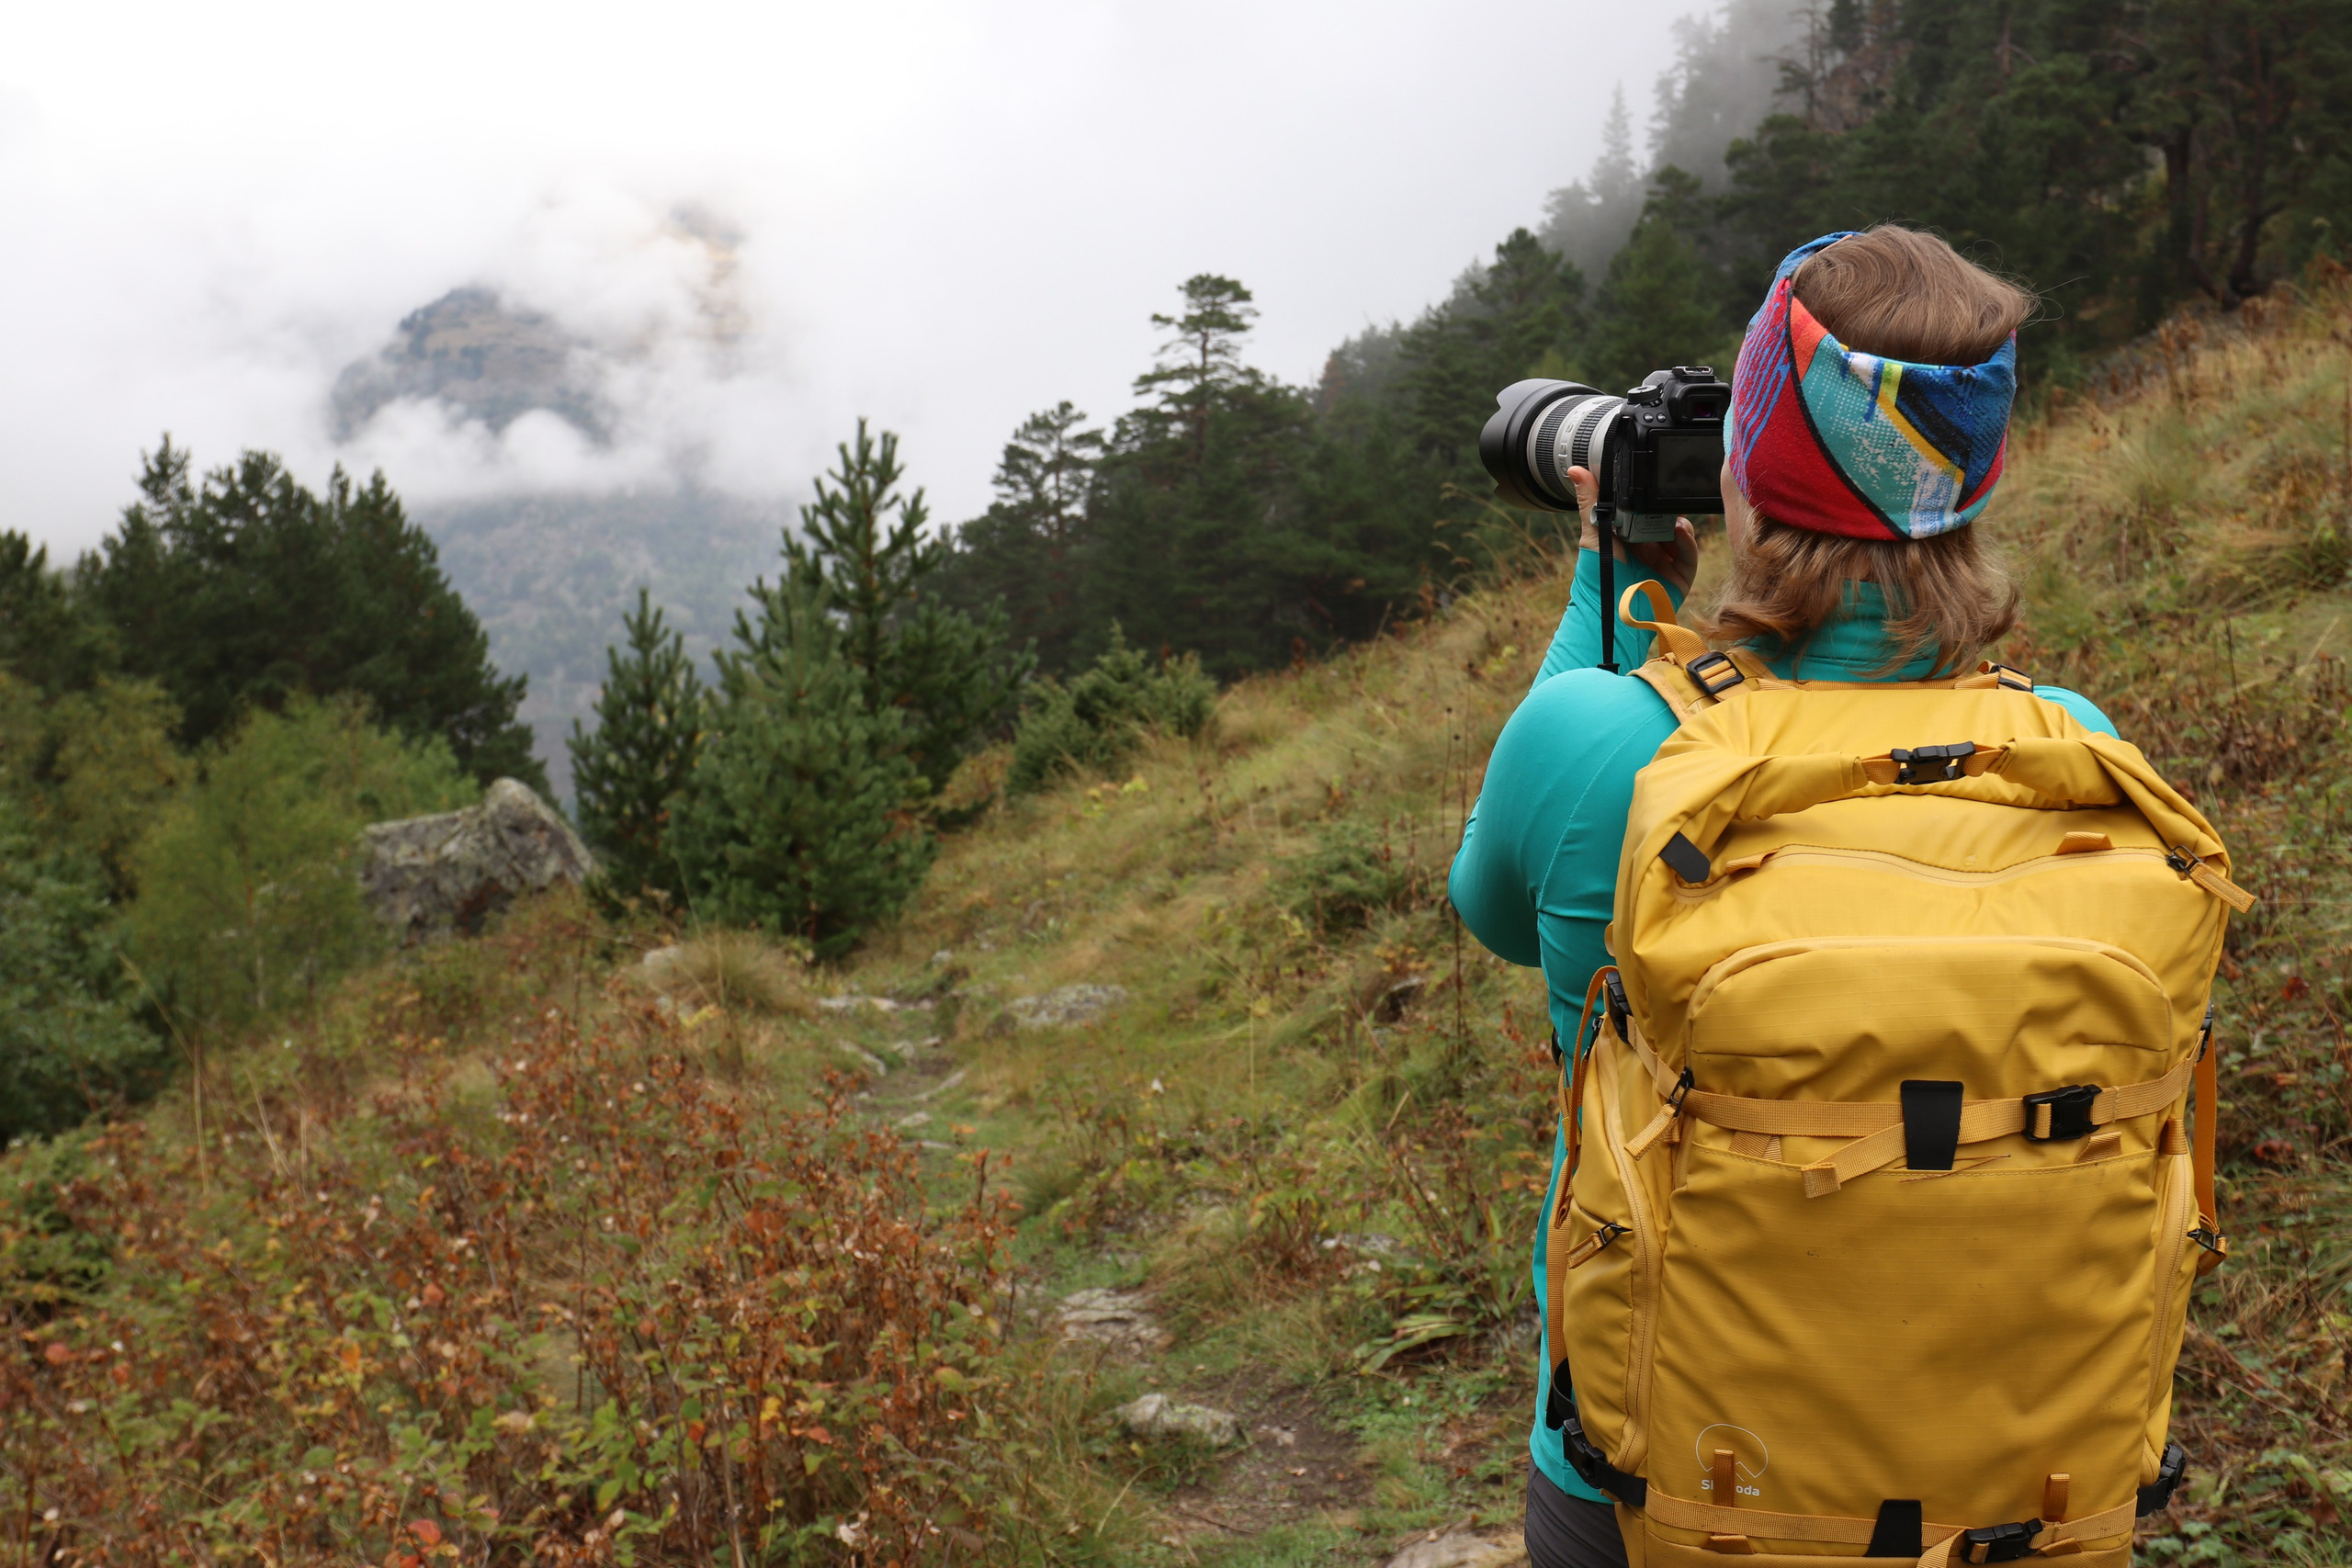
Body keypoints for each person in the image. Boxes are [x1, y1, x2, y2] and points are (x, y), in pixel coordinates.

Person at [1446, 225, 2120, 1568]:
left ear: (1750, 467)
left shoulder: (1606, 745)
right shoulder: (2075, 753)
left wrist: (1614, 582)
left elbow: (1494, 909)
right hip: (2012, 1481)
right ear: (1973, 476)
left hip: (1655, 1478)